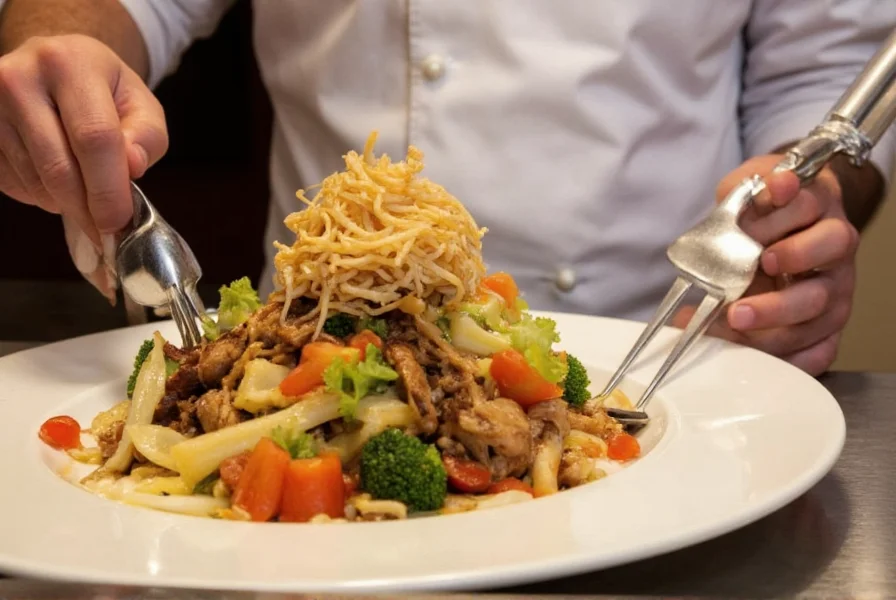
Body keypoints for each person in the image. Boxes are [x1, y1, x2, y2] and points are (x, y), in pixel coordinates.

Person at [0, 0, 894, 377]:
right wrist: (59, 60)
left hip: (668, 358)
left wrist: (800, 202)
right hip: (318, 351)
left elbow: (825, 75)